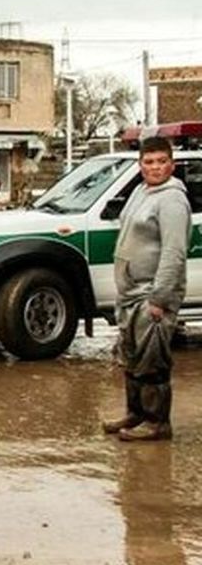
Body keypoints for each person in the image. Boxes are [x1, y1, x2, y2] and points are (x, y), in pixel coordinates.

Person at [103, 136, 190, 442]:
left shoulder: (173, 201)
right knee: (133, 356)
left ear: (172, 164)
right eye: (149, 162)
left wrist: (160, 297)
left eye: (161, 161)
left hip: (151, 293)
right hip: (130, 292)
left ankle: (157, 423)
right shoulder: (141, 191)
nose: (155, 168)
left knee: (152, 360)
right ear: (140, 166)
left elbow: (174, 252)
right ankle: (136, 412)